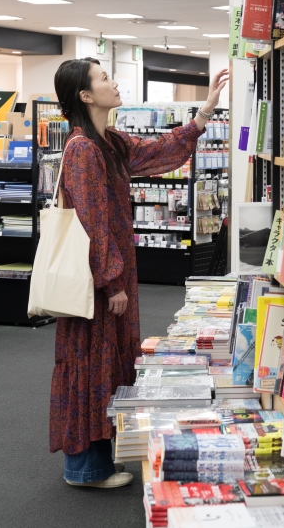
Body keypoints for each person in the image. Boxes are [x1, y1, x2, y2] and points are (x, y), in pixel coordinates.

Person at [48, 57, 228, 488]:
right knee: (91, 363)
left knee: (104, 363)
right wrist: (111, 280)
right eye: (104, 78)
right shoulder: (84, 150)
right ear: (85, 96)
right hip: (96, 282)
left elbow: (158, 152)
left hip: (109, 276)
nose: (114, 82)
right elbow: (93, 220)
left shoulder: (107, 142)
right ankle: (85, 468)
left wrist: (205, 111)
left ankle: (95, 462)